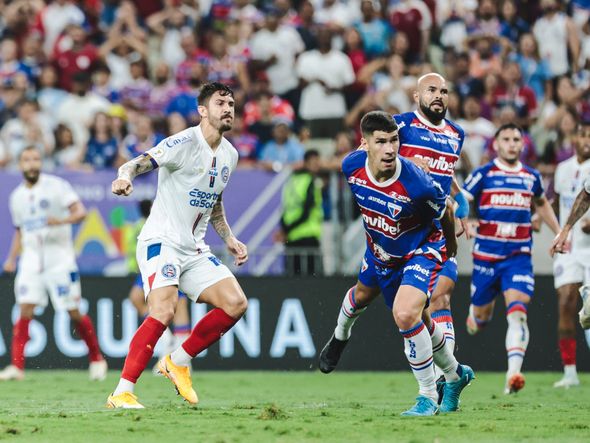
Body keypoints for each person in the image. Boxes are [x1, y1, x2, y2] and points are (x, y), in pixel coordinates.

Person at [318, 73, 469, 401]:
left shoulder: (439, 157)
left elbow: (442, 205)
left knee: (412, 310)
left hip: (423, 245)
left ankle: (429, 395)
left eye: (445, 90)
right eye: (432, 89)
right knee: (364, 297)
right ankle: (455, 373)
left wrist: (452, 245)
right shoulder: (363, 156)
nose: (389, 148)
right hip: (382, 247)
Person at [106, 82, 248, 409]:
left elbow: (214, 202)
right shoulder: (183, 142)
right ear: (203, 110)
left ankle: (177, 361)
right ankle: (122, 392)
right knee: (163, 309)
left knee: (235, 303)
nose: (228, 109)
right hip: (162, 240)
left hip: (194, 249)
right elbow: (136, 163)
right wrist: (125, 176)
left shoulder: (230, 154)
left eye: (231, 103)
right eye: (220, 103)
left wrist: (229, 238)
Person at [463, 123, 561, 394]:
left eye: (516, 139)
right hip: (485, 258)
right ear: (496, 144)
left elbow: (541, 203)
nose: (512, 144)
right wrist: (466, 219)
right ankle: (475, 315)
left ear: (523, 144)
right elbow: (461, 198)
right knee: (478, 322)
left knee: (517, 313)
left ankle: (513, 375)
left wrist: (559, 232)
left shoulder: (531, 176)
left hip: (517, 257)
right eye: (506, 139)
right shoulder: (484, 173)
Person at [0, 146, 107, 381]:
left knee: (73, 311)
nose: (32, 164)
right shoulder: (16, 196)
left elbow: (80, 212)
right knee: (25, 307)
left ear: (41, 162)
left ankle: (97, 359)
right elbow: (20, 230)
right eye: (27, 160)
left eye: (36, 159)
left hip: (59, 259)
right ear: (20, 165)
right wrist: (11, 257)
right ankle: (16, 367)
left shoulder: (57, 186)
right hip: (31, 259)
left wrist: (60, 221)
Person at [125, 199, 191, 362]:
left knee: (174, 305)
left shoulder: (140, 226)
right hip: (153, 266)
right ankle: (167, 340)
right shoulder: (158, 223)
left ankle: (181, 357)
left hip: (167, 263)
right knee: (171, 304)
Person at [551, 121, 590, 388]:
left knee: (588, 312)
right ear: (574, 138)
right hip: (569, 247)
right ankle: (570, 372)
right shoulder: (563, 169)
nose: (587, 139)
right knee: (566, 302)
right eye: (583, 134)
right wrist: (559, 229)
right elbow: (563, 199)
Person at [276, 149, 323, 275]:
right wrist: (287, 230)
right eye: (314, 162)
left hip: (291, 239)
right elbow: (306, 212)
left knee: (292, 278)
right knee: (312, 280)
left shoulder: (291, 181)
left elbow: (285, 209)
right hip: (308, 237)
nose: (317, 165)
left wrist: (285, 229)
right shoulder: (310, 181)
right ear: (306, 163)